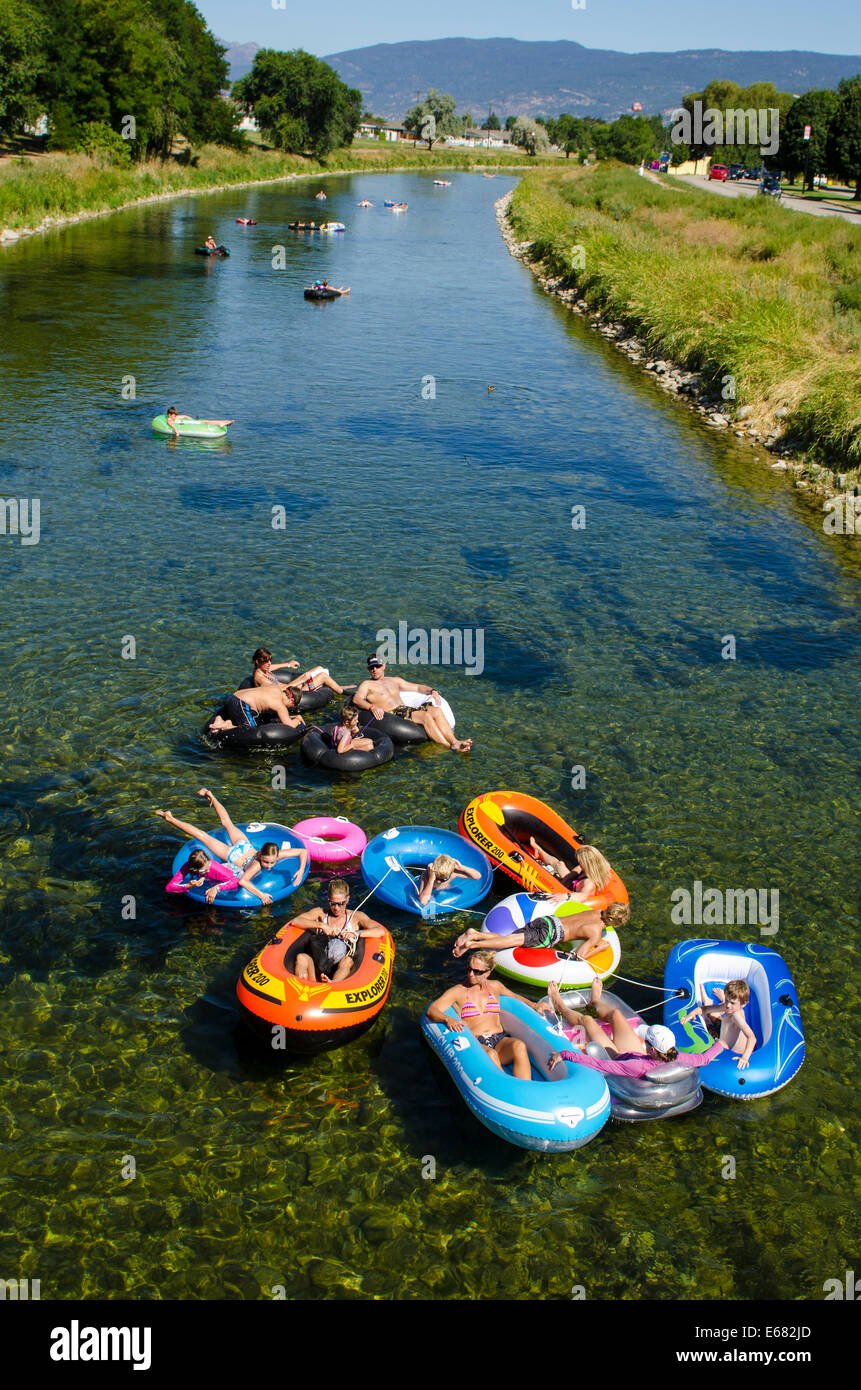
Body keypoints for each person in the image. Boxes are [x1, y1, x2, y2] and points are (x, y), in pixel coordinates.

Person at [546, 977, 731, 1076]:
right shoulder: (677, 1057)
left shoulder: (636, 1067)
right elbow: (704, 1059)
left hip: (617, 1057)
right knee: (616, 1015)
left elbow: (597, 1064)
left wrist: (564, 1054)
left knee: (587, 1021)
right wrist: (721, 1044)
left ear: (650, 1048)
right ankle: (595, 1000)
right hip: (636, 1054)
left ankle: (559, 1005)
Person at [155, 789, 307, 899]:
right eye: (266, 862)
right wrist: (261, 895)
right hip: (233, 855)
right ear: (260, 855)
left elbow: (302, 852)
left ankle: (210, 795)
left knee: (226, 823)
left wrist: (300, 871)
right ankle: (171, 818)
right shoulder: (257, 865)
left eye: (271, 862)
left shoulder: (275, 853)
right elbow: (242, 881)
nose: (268, 866)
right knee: (203, 835)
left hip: (245, 846)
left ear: (275, 855)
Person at [427, 949, 549, 1080]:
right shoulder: (458, 991)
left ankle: (526, 1086)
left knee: (519, 1046)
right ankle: (507, 1086)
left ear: (488, 973)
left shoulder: (495, 986)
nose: (471, 974)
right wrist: (447, 1019)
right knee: (491, 1054)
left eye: (477, 971)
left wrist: (535, 1005)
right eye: (469, 969)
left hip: (498, 1039)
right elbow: (432, 1010)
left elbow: (514, 996)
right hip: (477, 1041)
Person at [352, 655, 471, 752]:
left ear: (384, 666)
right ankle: (448, 746)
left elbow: (418, 688)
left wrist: (432, 691)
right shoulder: (366, 684)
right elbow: (357, 699)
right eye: (371, 667)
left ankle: (455, 741)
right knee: (425, 716)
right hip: (393, 713)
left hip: (405, 709)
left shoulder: (394, 680)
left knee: (436, 711)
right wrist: (372, 707)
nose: (374, 669)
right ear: (368, 669)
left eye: (377, 666)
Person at [453, 902, 630, 963]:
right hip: (549, 935)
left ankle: (474, 934)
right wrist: (599, 948)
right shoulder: (596, 933)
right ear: (615, 923)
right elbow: (579, 956)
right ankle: (472, 944)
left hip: (548, 920)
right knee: (510, 941)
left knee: (511, 938)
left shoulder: (596, 911)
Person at [290, 880, 386, 983]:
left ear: (347, 900)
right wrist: (321, 925)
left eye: (341, 904)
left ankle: (332, 984)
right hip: (318, 964)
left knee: (348, 961)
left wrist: (356, 933)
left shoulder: (356, 917)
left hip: (339, 968)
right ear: (328, 900)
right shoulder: (320, 913)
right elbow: (296, 921)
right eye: (333, 904)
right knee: (301, 958)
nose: (336, 908)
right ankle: (305, 987)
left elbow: (380, 931)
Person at [680, 980, 756, 1068]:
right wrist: (691, 1014)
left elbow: (752, 1038)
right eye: (727, 1000)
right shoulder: (729, 1007)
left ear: (743, 1004)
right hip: (723, 1030)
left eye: (732, 1003)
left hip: (728, 1048)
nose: (727, 1005)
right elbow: (705, 1009)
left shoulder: (736, 1016)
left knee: (707, 1021)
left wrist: (745, 1058)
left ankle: (711, 1000)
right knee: (711, 1014)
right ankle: (711, 1000)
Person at [246, 647, 352, 697]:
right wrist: (300, 680)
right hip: (290, 694)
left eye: (270, 660)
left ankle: (336, 687)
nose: (269, 663)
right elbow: (279, 691)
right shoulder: (259, 678)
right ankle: (346, 693)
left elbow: (272, 667)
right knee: (323, 675)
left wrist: (288, 664)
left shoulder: (261, 669)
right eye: (266, 661)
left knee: (319, 668)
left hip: (292, 687)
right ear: (257, 661)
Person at [528, 838, 612, 899]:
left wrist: (566, 895)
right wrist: (569, 877)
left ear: (587, 864)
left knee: (547, 873)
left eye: (580, 862)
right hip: (570, 883)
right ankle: (539, 850)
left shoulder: (589, 882)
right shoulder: (596, 867)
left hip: (569, 891)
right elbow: (578, 868)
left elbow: (583, 896)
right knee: (560, 864)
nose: (579, 863)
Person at [207, 681, 304, 732]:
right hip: (241, 704)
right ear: (291, 700)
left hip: (232, 697)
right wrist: (298, 719)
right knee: (251, 730)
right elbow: (289, 726)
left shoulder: (275, 688)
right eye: (292, 706)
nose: (289, 708)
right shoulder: (279, 705)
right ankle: (227, 725)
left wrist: (290, 717)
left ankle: (221, 718)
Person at [165, 849, 240, 904]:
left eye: (209, 865)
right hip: (211, 878)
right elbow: (169, 887)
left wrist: (216, 888)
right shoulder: (187, 866)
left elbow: (236, 881)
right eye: (203, 871)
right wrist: (189, 885)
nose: (208, 871)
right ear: (193, 869)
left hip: (233, 874)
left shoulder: (215, 868)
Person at [164, 406, 234, 437]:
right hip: (192, 424)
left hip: (192, 422)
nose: (175, 417)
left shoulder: (175, 418)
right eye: (174, 415)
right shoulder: (169, 419)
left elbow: (185, 416)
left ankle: (225, 422)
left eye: (175, 415)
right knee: (206, 422)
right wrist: (176, 432)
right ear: (169, 415)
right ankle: (222, 423)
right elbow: (171, 425)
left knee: (207, 421)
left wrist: (192, 420)